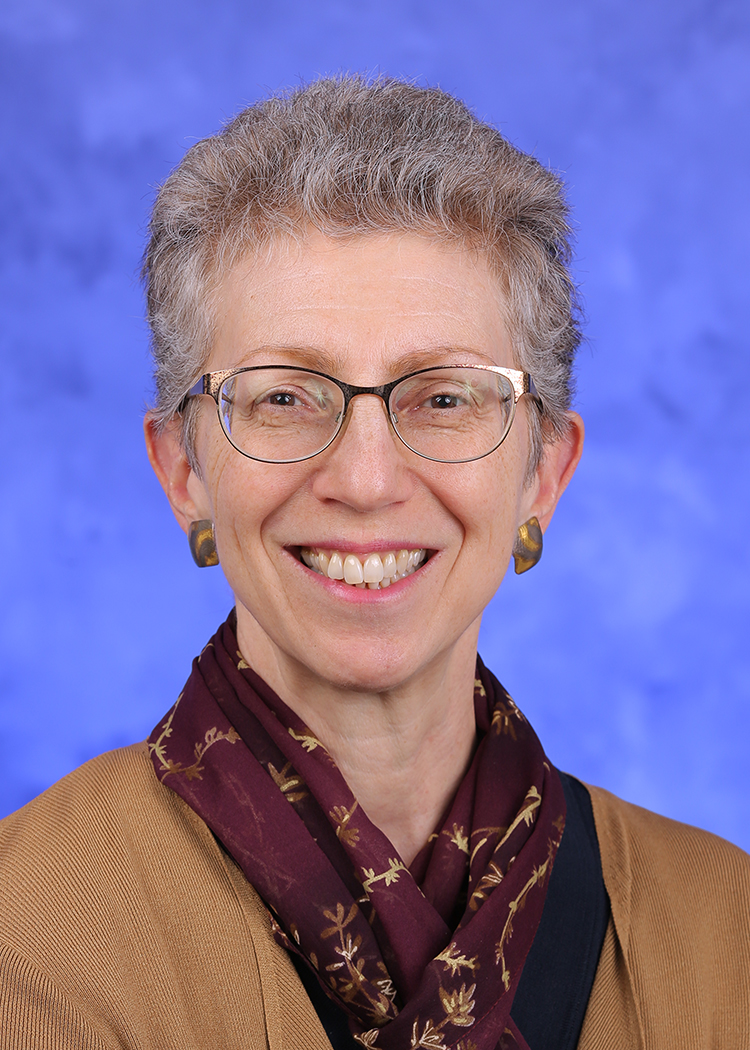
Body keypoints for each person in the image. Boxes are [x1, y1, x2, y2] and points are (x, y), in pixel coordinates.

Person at [0, 76, 748, 1050]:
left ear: (544, 474)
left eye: (443, 398)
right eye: (283, 398)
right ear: (183, 469)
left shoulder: (725, 934)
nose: (363, 477)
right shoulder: (30, 938)